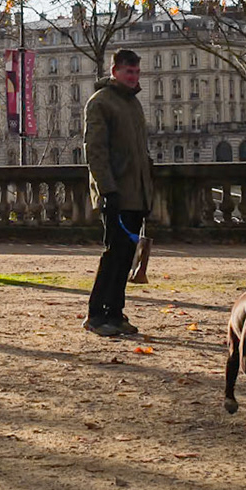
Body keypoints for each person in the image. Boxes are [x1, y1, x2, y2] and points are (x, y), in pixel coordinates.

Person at [82, 48, 153, 337]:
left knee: (125, 257)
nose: (133, 77)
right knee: (114, 254)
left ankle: (114, 311)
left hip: (135, 193)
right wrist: (108, 191)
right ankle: (96, 314)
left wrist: (146, 188)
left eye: (136, 72)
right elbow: (95, 151)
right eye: (128, 71)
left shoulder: (133, 104)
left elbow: (138, 151)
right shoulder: (100, 102)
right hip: (117, 193)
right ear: (115, 71)